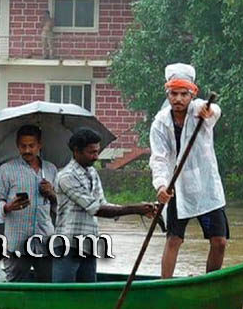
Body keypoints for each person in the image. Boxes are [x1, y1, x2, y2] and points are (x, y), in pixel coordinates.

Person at [149, 63, 227, 278]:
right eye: (174, 94)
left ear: (193, 93)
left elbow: (215, 111)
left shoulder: (200, 111)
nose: (178, 99)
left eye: (184, 94)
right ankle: (165, 286)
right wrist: (161, 186)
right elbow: (159, 158)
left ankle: (210, 282)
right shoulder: (160, 123)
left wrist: (209, 111)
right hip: (176, 186)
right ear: (168, 94)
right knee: (174, 239)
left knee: (219, 241)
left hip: (205, 187)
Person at [54, 127, 158, 283]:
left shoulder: (92, 173)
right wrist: (135, 209)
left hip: (89, 243)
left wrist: (138, 209)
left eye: (97, 151)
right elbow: (94, 208)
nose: (96, 156)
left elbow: (103, 203)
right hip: (68, 245)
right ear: (77, 151)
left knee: (89, 292)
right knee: (63, 294)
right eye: (91, 152)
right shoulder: (66, 176)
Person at [0, 125, 57, 282]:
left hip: (45, 240)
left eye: (31, 146)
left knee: (48, 285)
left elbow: (60, 205)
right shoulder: (6, 170)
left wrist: (52, 194)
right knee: (14, 286)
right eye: (23, 146)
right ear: (17, 145)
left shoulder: (51, 169)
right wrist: (7, 207)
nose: (27, 150)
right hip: (17, 243)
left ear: (39, 145)